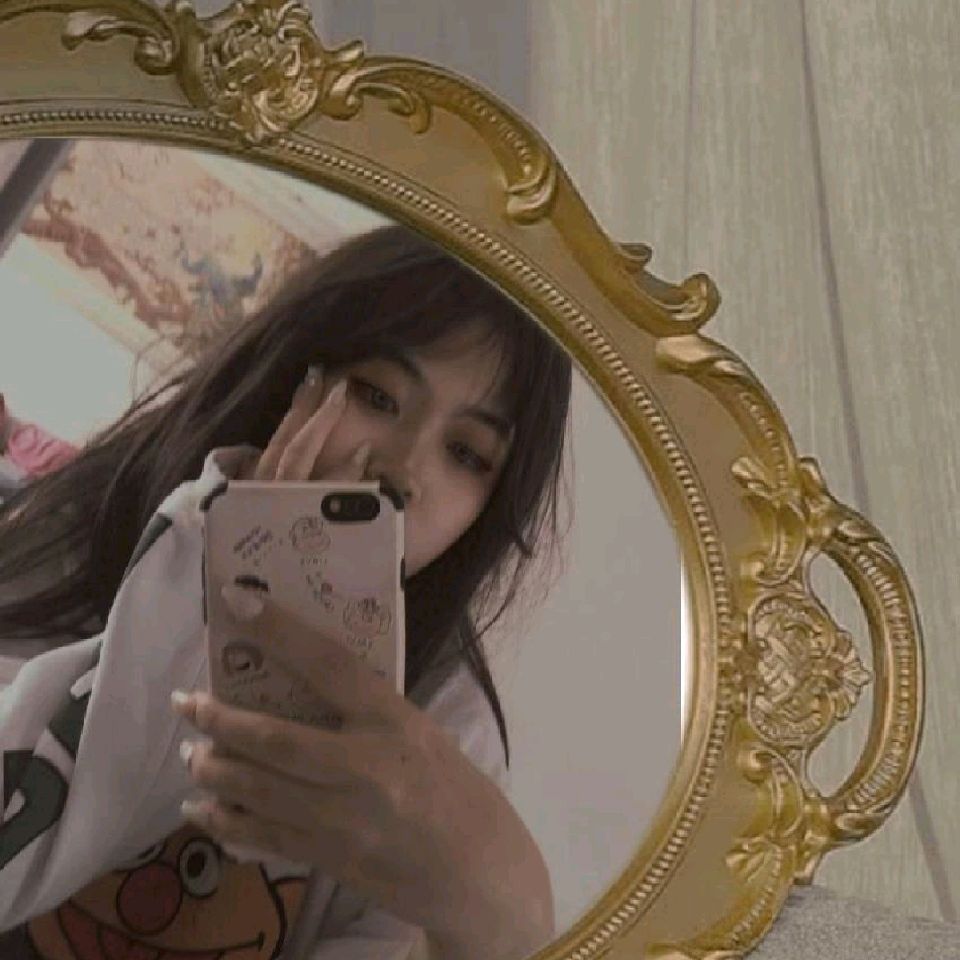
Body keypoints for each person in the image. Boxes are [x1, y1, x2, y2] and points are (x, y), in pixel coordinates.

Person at [0, 225, 572, 960]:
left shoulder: (443, 727)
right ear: (297, 378)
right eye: (377, 395)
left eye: (467, 453)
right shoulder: (95, 526)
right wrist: (201, 574)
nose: (403, 469)